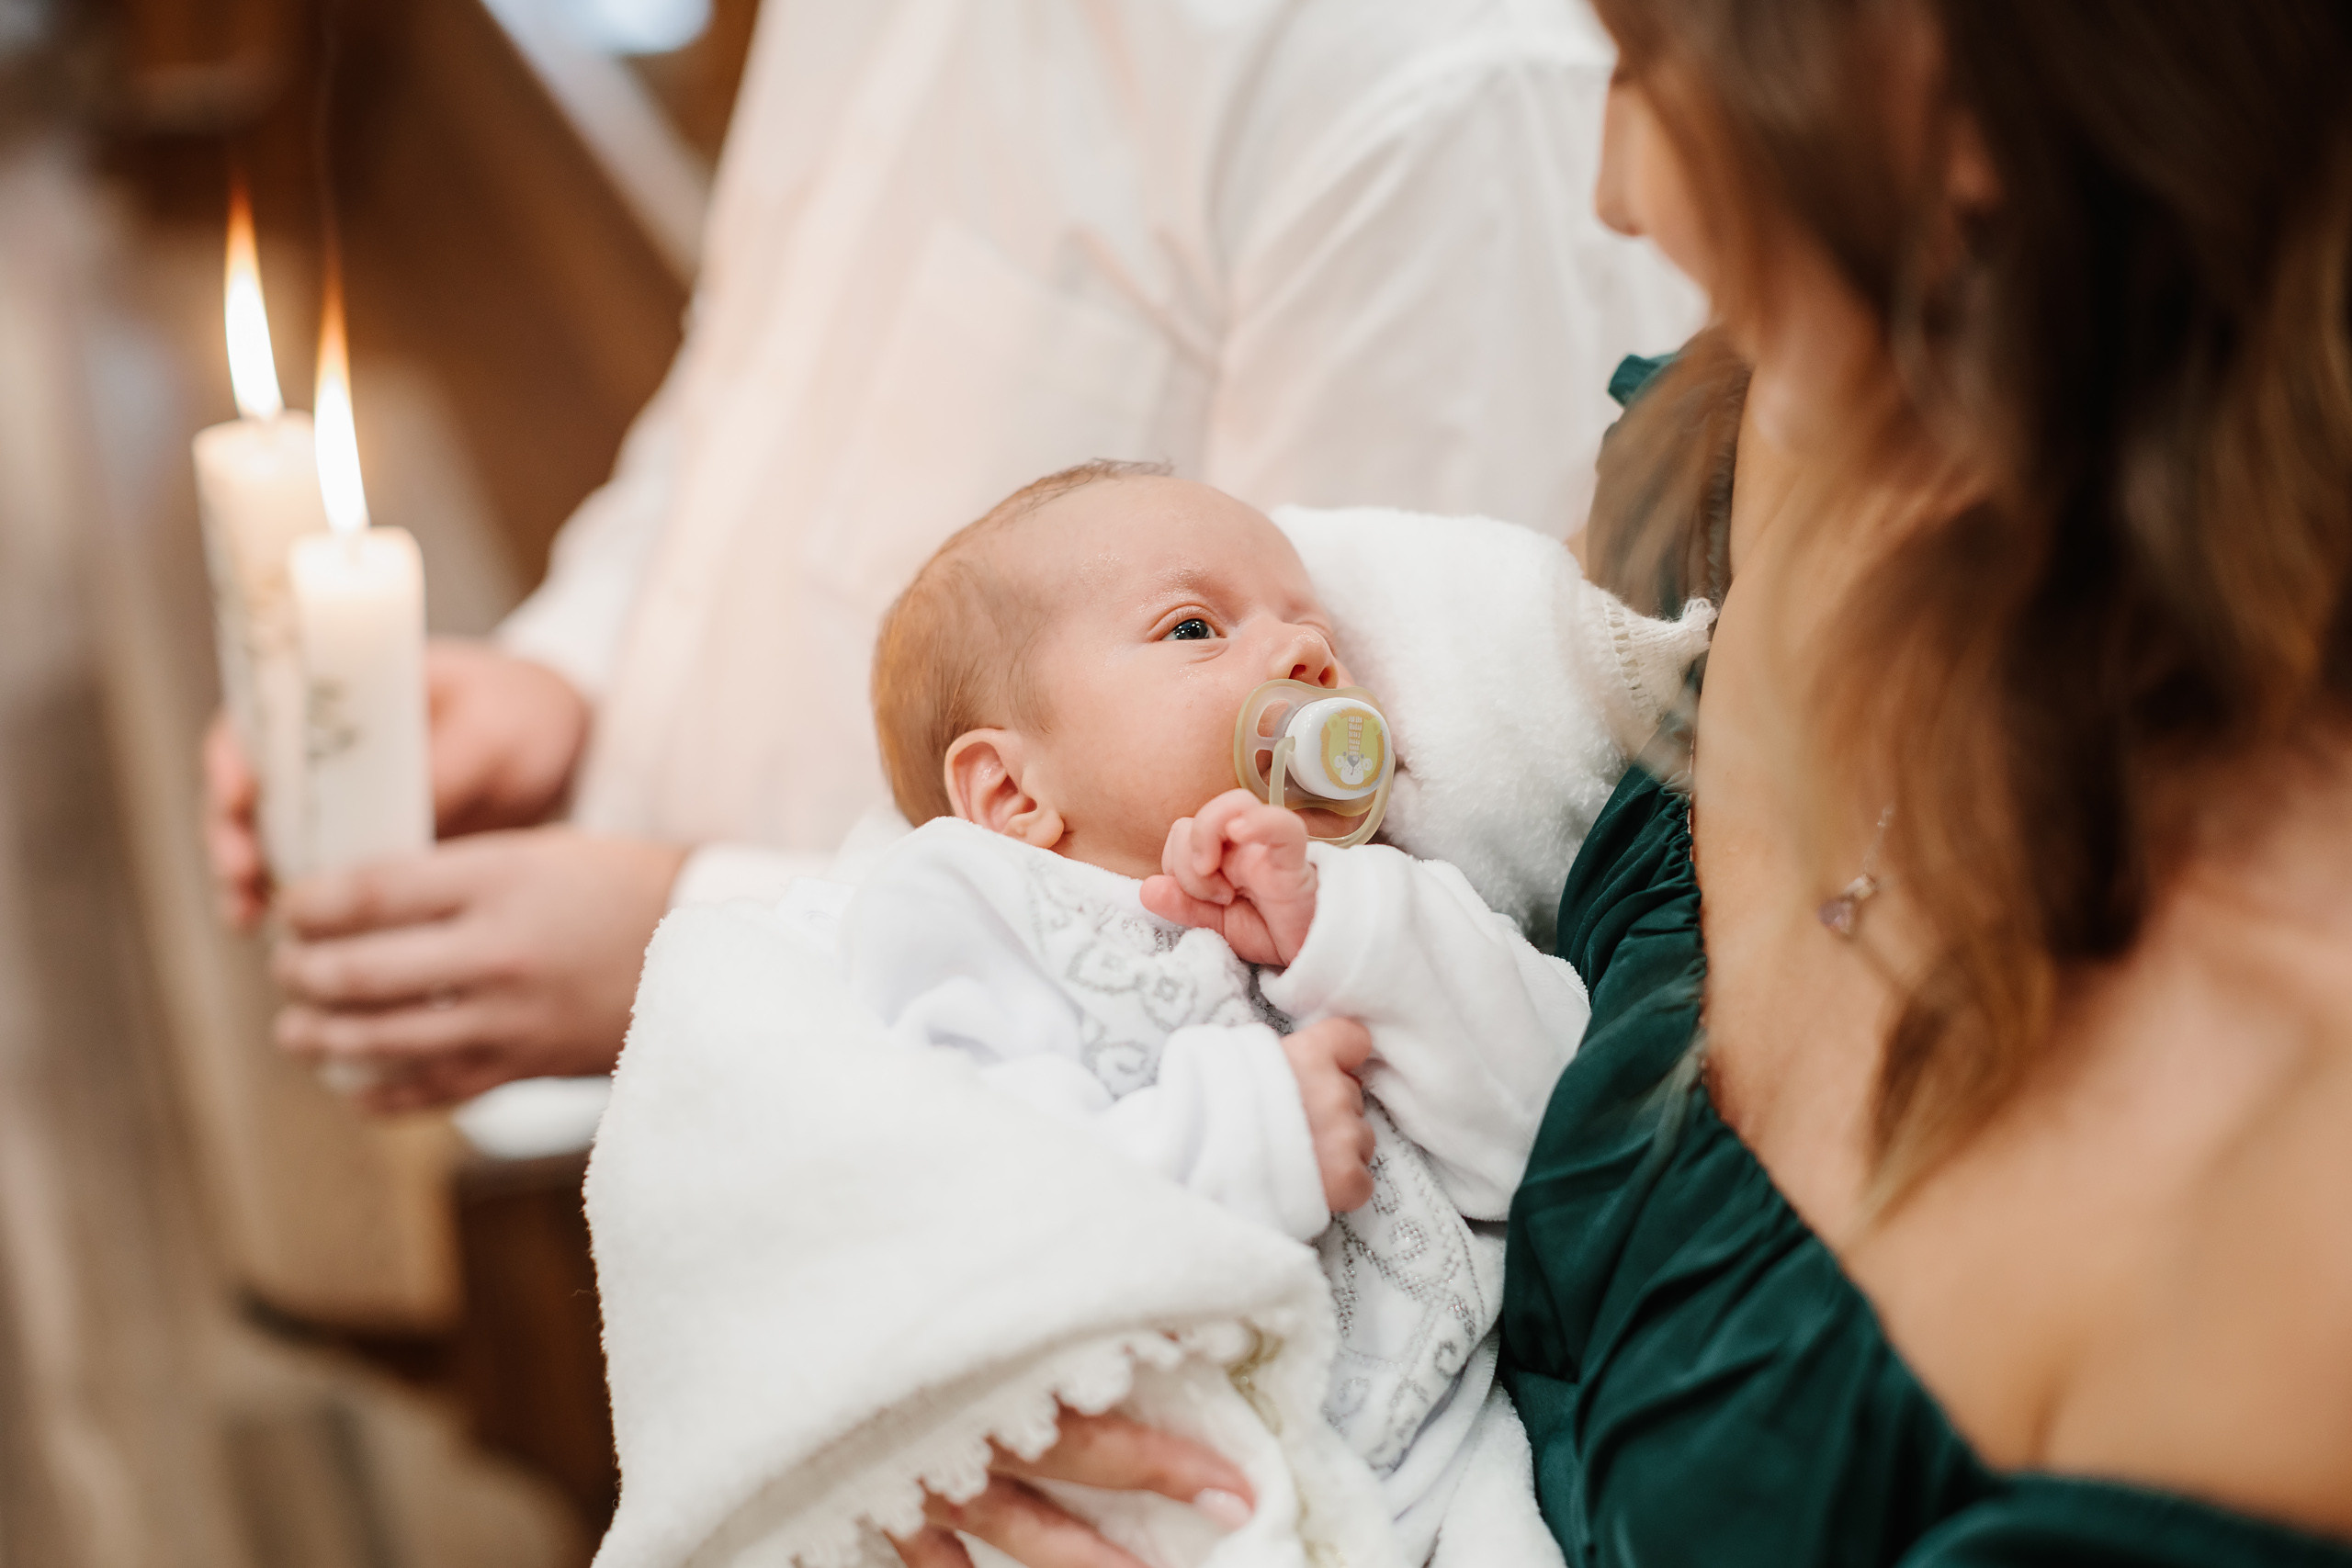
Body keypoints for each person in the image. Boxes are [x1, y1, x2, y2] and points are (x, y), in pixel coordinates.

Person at [881, 3, 2352, 1564]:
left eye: (1655, 68)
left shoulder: (2291, 1215)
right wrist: (918, 1386)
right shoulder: (1774, 437)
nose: (1615, 190)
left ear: (1956, 88)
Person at [204, 0, 1698, 1112]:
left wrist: (705, 934)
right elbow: (740, 386)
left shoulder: (1440, 91)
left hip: (1056, 1190)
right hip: (708, 1121)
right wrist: (568, 672)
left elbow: (1375, 878)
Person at [840, 459, 1599, 1557]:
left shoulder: (1384, 901)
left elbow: (1554, 1129)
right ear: (1010, 794)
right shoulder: (976, 915)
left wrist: (1354, 930)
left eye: (1313, 632)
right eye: (1195, 628)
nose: (1304, 657)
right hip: (1147, 1498)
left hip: (1434, 1483)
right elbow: (961, 1205)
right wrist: (1246, 1135)